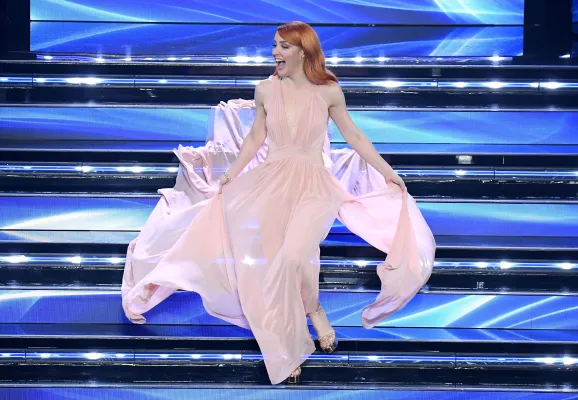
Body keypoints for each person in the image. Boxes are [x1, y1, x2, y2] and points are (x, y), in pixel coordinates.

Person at [121, 21, 436, 385]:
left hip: (314, 184)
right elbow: (256, 137)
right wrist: (231, 174)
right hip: (271, 183)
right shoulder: (265, 90)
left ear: (304, 51)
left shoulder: (329, 91)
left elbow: (354, 136)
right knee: (270, 267)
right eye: (274, 45)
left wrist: (387, 172)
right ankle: (286, 350)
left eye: (284, 46)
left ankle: (313, 310)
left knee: (293, 256)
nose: (275, 52)